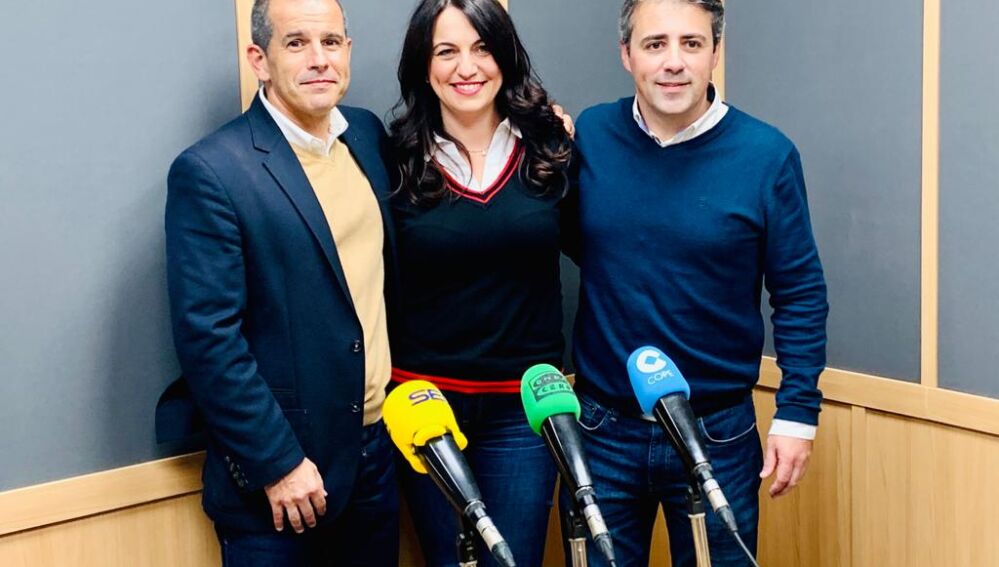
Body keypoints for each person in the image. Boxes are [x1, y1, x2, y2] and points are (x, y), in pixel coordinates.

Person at [561, 0, 829, 565]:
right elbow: (578, 241)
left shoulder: (767, 155)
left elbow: (800, 293)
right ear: (627, 54)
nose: (674, 62)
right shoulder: (592, 134)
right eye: (655, 44)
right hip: (601, 430)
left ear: (715, 52)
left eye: (691, 43)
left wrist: (797, 413)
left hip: (717, 432)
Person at [162, 0, 399, 564]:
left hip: (376, 454)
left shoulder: (366, 136)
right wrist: (278, 464)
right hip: (283, 482)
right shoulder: (212, 171)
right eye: (296, 43)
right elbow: (208, 338)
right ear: (259, 60)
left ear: (348, 51)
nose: (319, 59)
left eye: (331, 42)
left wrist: (540, 122)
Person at [387, 0, 573, 565]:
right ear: (423, 66)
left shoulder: (552, 149)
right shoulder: (390, 158)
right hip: (427, 407)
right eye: (446, 51)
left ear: (505, 57)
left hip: (524, 410)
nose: (466, 67)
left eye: (482, 48)